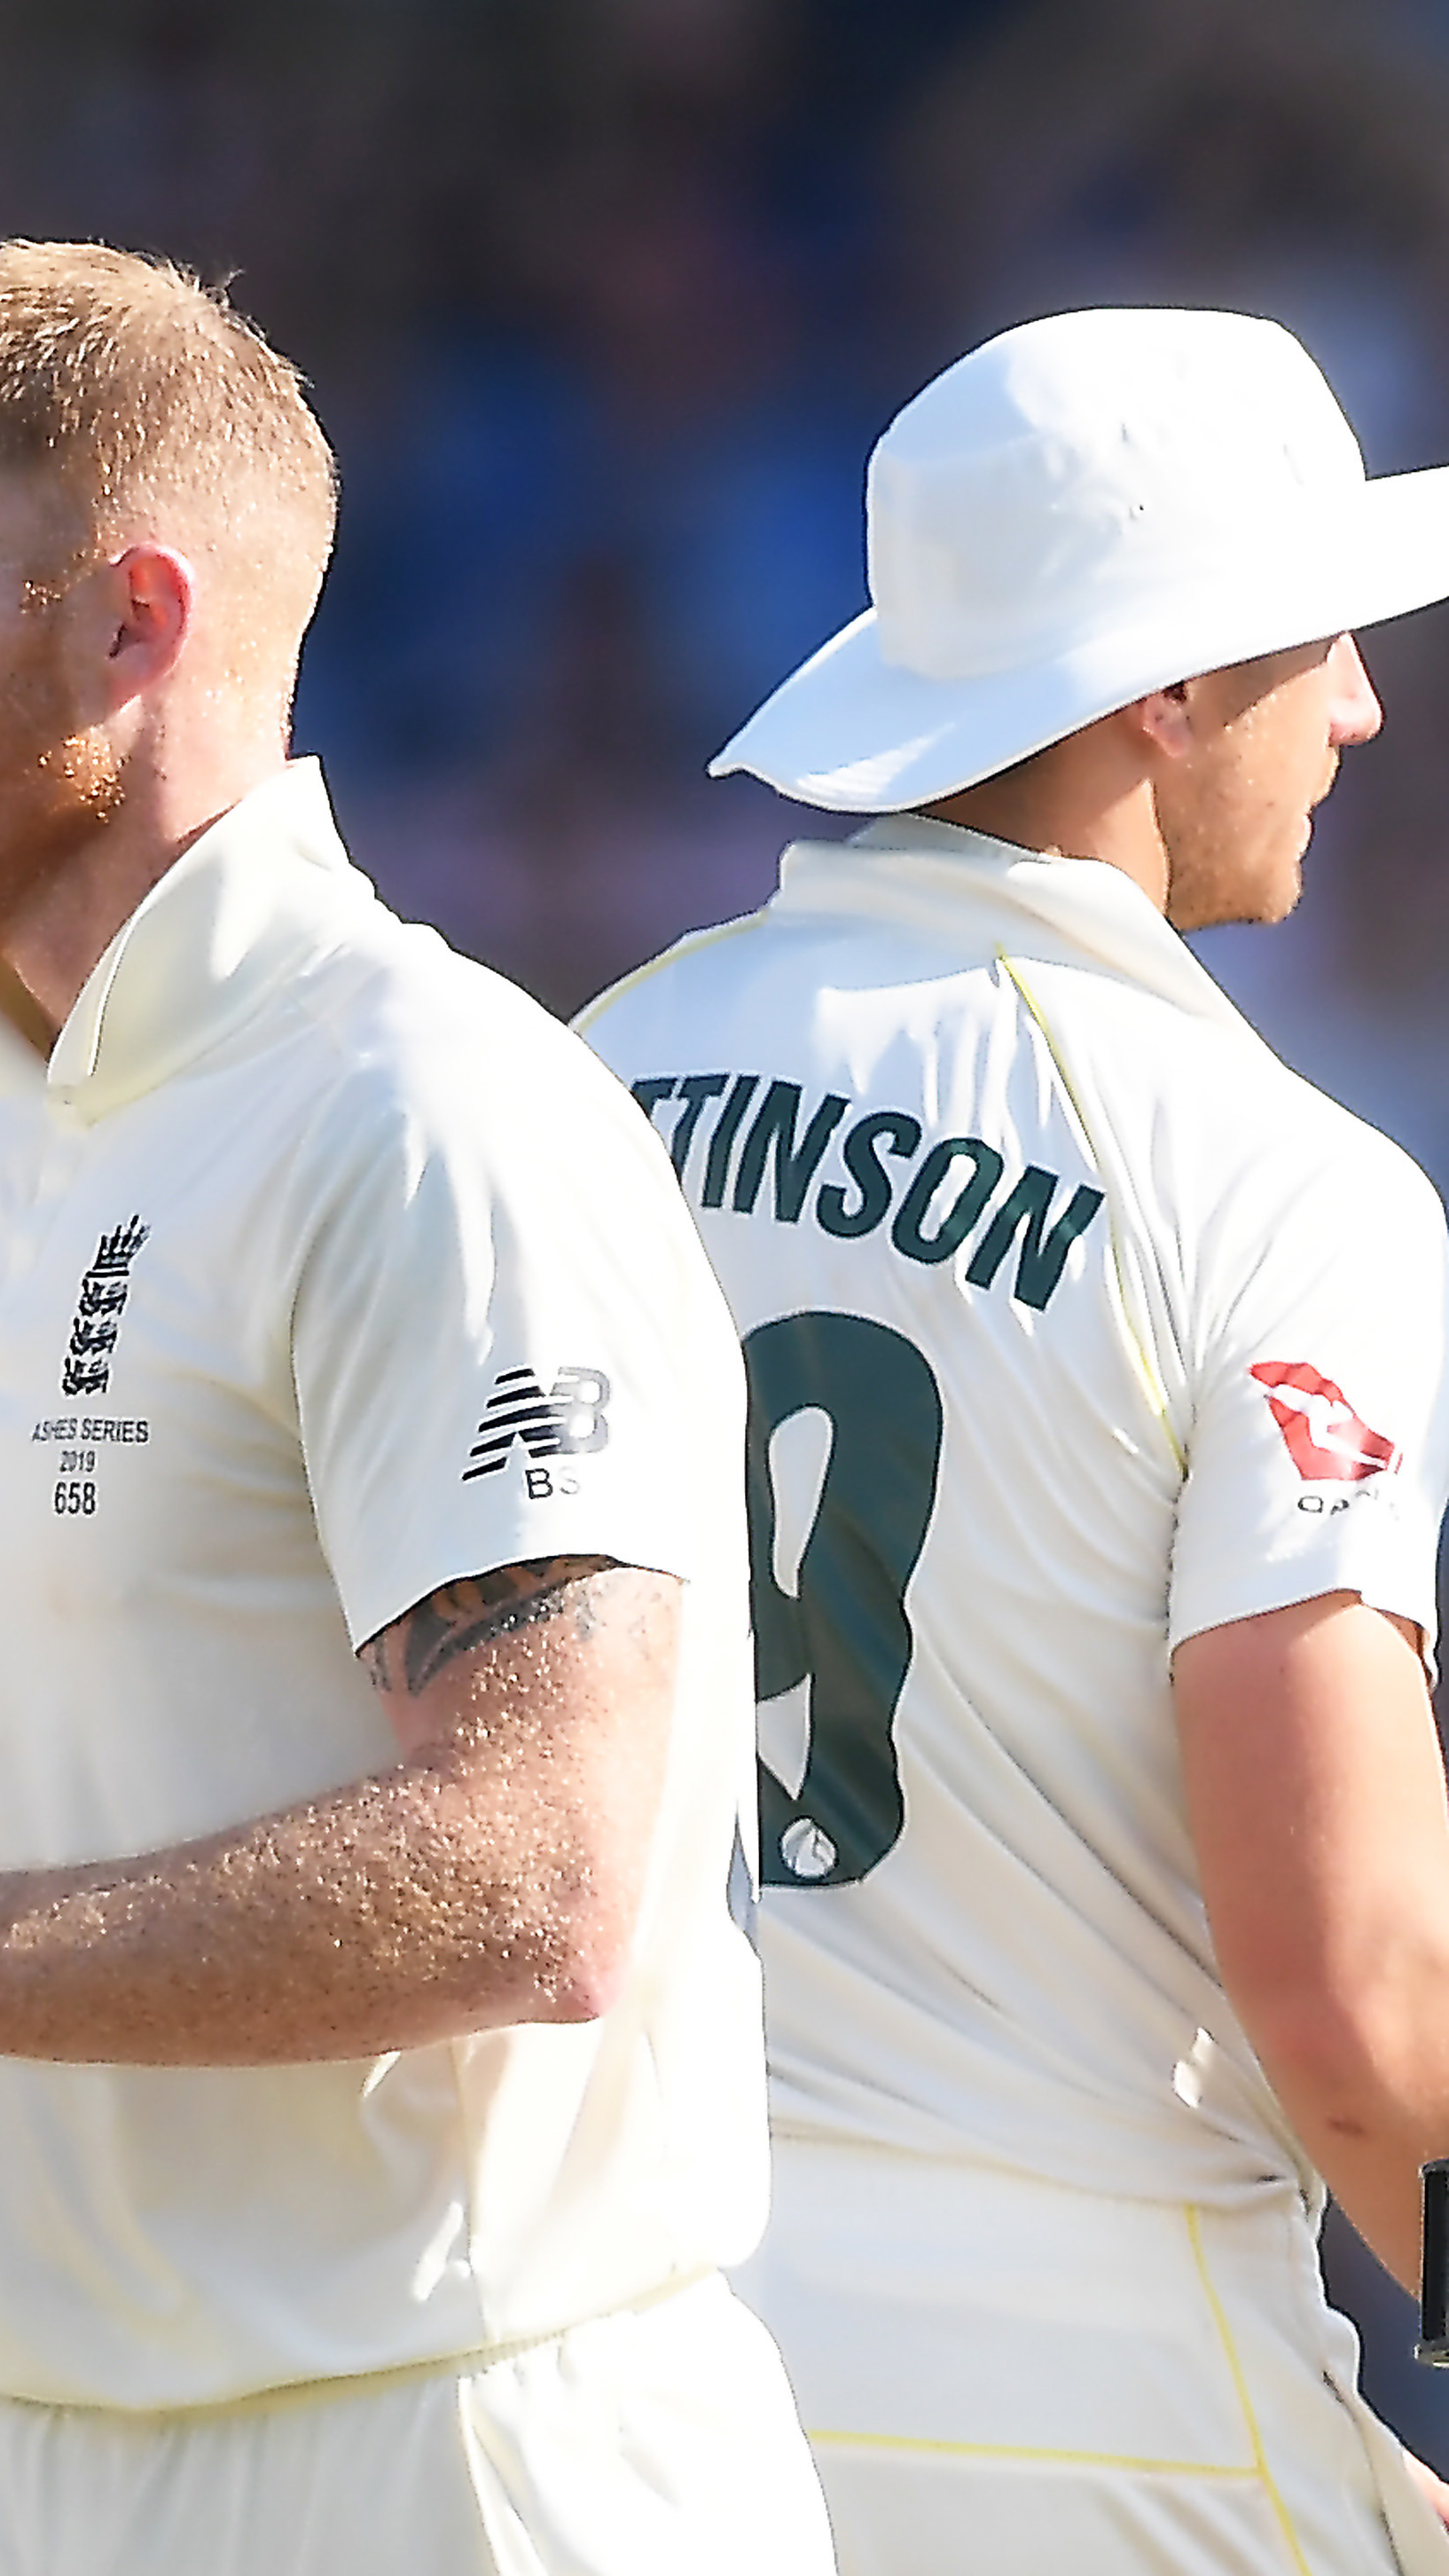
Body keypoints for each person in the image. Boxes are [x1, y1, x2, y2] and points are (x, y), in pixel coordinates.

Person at [0, 241, 830, 2572]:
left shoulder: (424, 1118)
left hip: (450, 2462)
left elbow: (534, 1877)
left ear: (128, 627)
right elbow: (188, 1793)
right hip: (36, 2442)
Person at [573, 306, 1449, 2576]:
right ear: (1160, 692)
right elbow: (1349, 1995)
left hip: (598, 2392)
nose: (1357, 701)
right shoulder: (1278, 1186)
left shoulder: (573, 1088)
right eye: (1317, 639)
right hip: (1098, 2419)